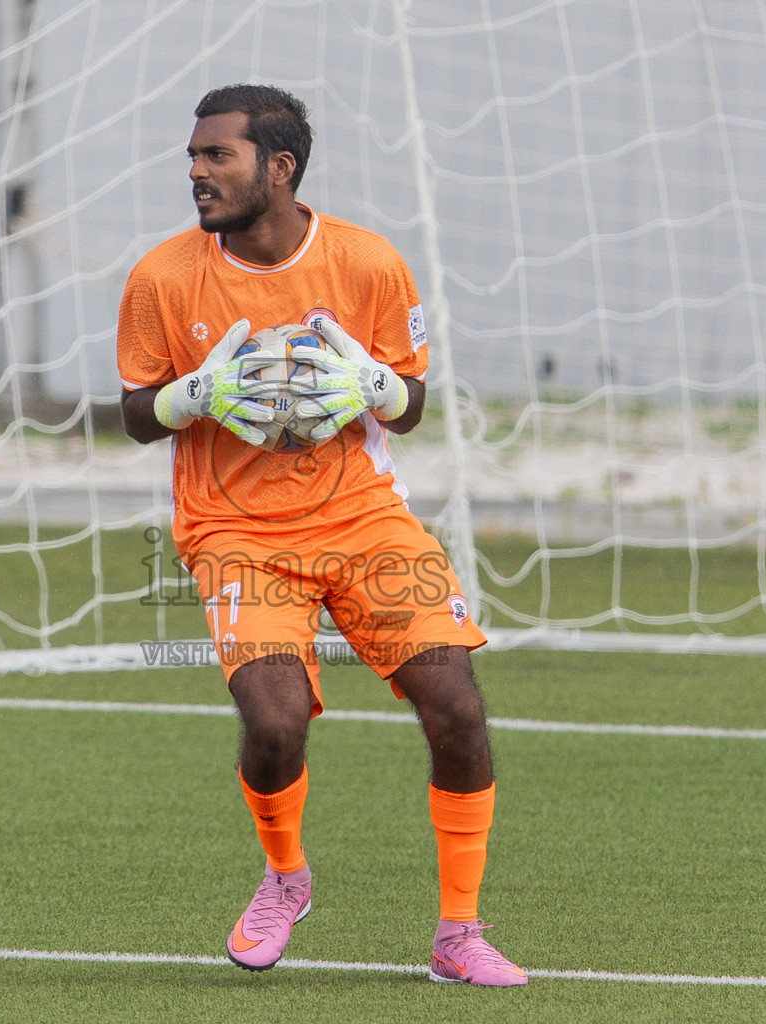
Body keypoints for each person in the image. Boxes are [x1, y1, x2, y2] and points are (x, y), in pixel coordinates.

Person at [115, 83, 526, 987]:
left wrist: (372, 387)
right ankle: (286, 878)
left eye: (217, 155)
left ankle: (459, 934)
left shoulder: (369, 263)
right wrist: (196, 397)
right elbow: (138, 415)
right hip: (235, 533)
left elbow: (412, 404)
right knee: (275, 720)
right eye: (192, 156)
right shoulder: (162, 277)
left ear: (280, 165)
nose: (196, 172)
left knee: (456, 706)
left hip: (365, 518)